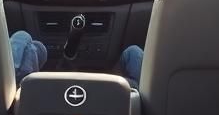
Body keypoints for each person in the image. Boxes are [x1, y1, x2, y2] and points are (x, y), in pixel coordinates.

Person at [10, 30, 146, 89]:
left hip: (31, 92)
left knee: (30, 43)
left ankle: (15, 82)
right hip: (121, 92)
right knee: (134, 52)